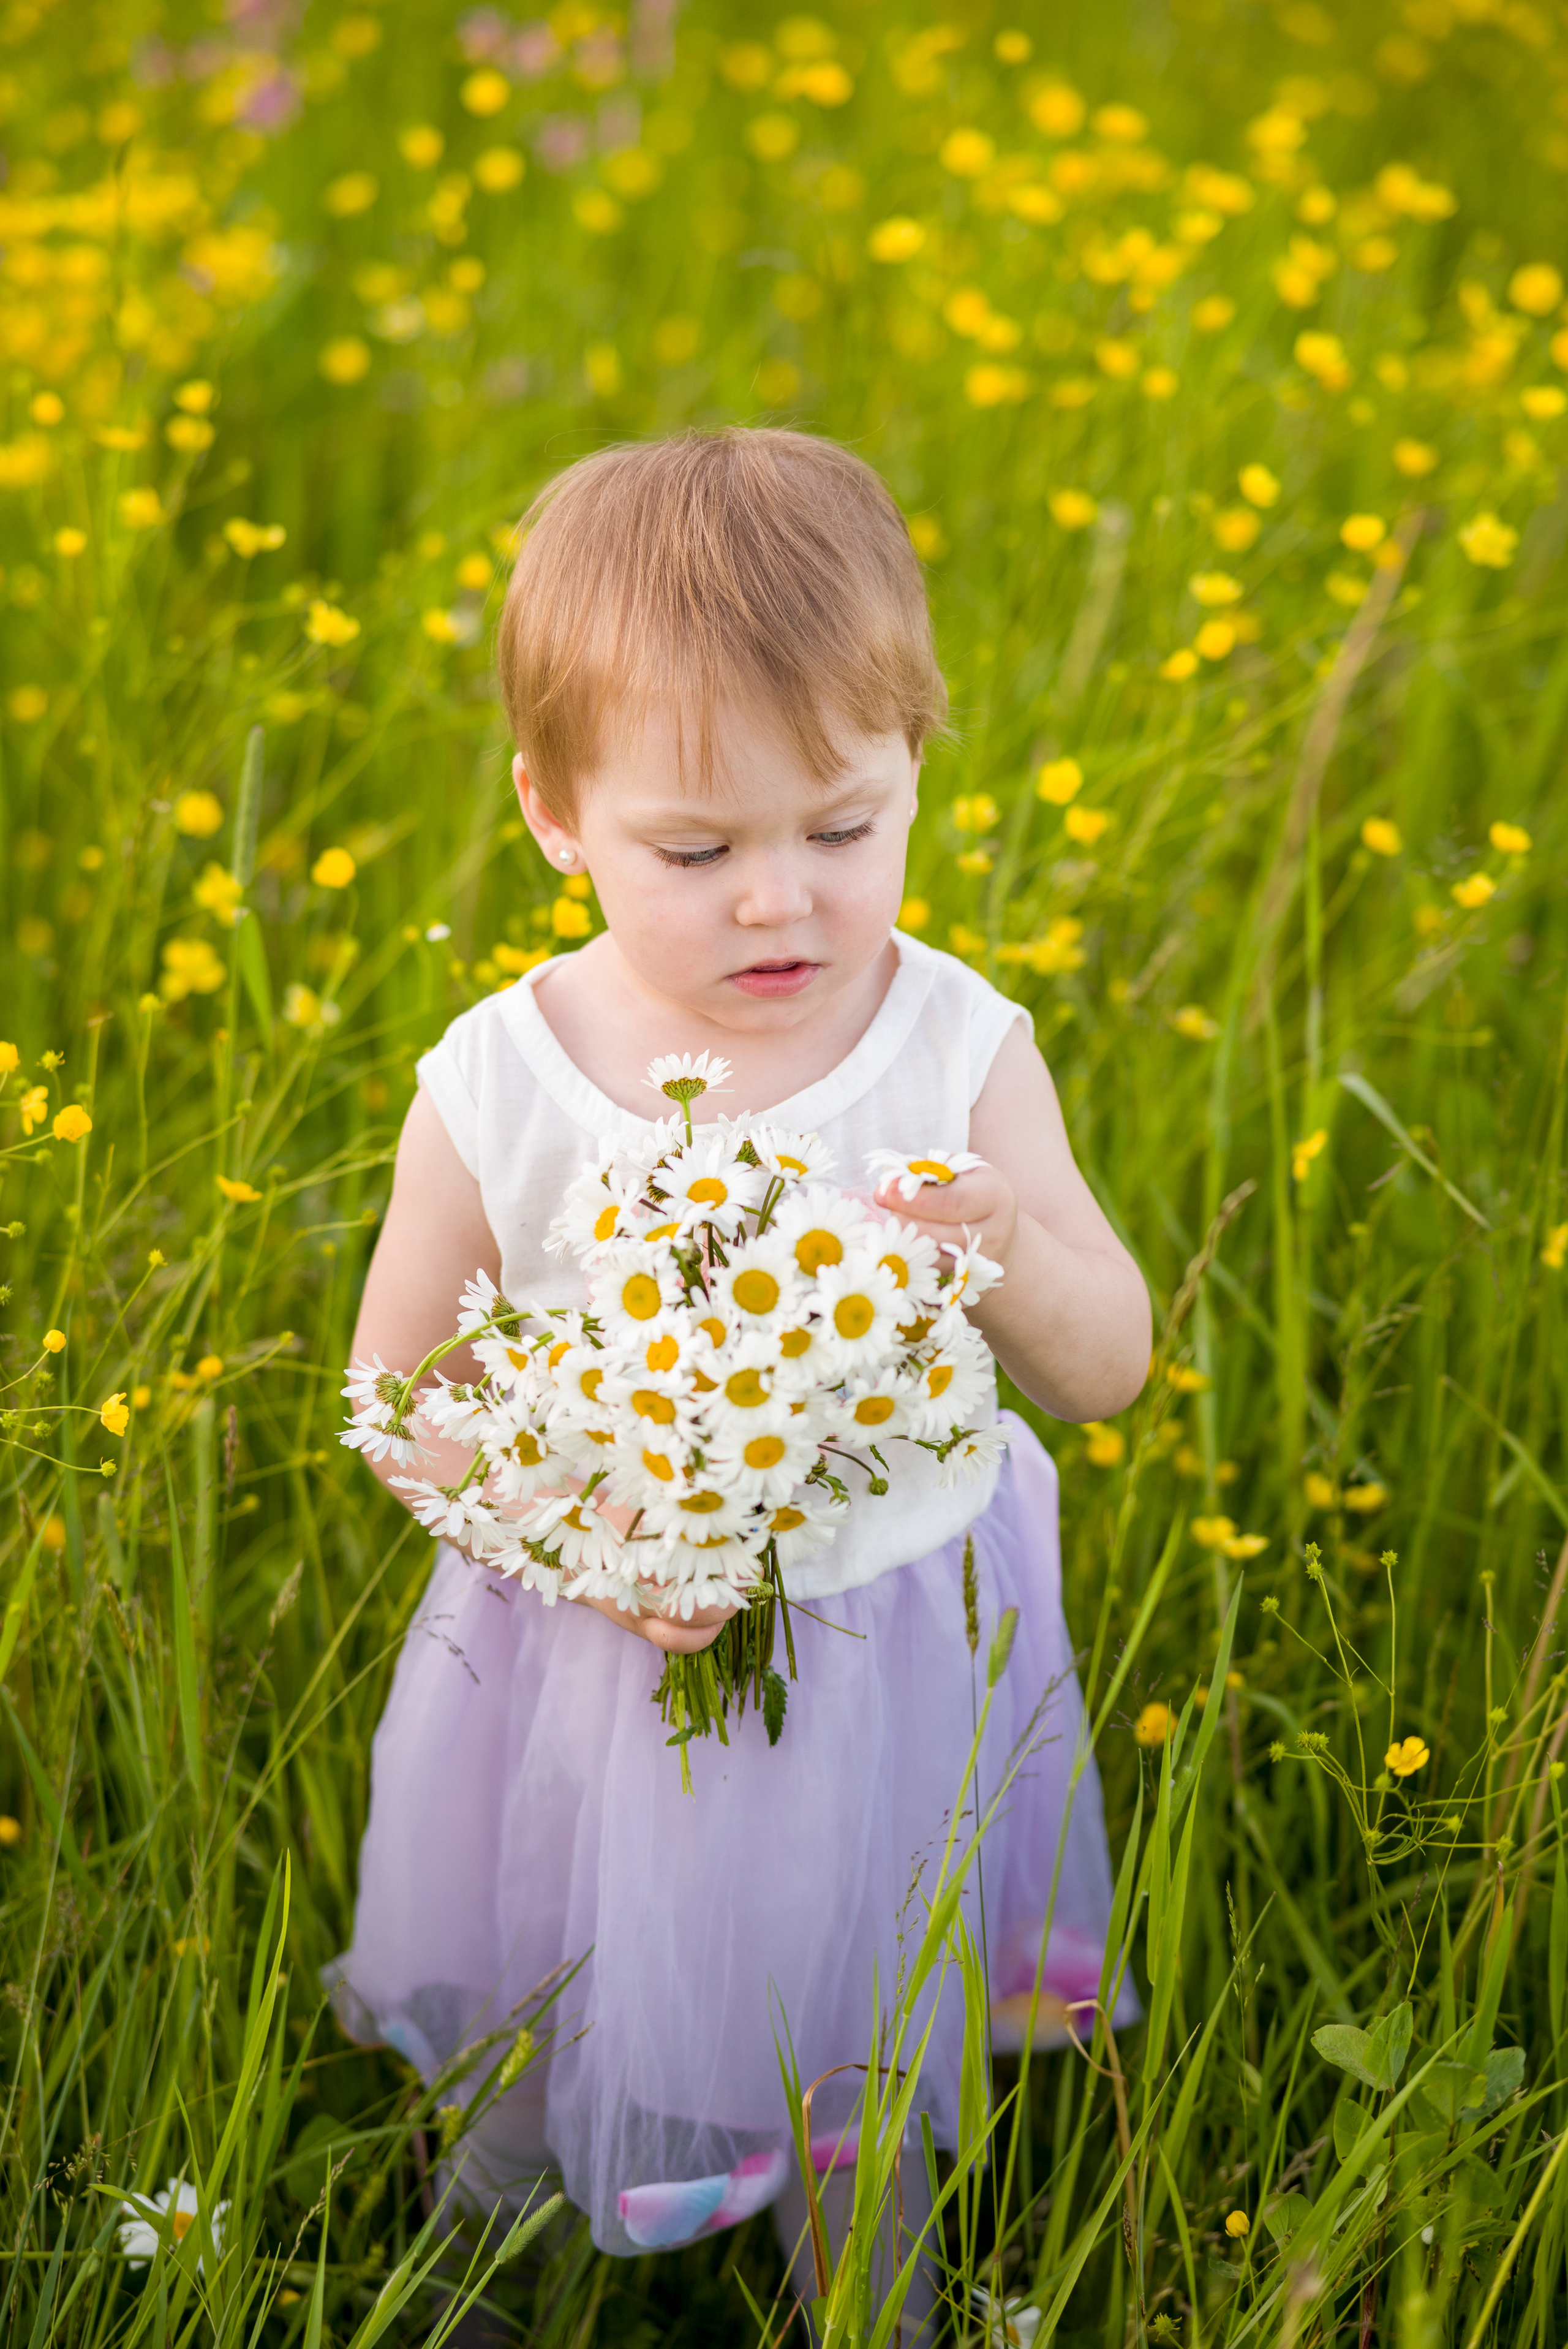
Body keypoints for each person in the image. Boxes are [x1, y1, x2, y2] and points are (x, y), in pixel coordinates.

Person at [325, 428, 1150, 2323]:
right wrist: (588, 1540)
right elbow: (399, 1387)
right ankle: (499, 2250)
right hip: (599, 1656)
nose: (781, 899)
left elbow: (1105, 1371)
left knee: (862, 2004)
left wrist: (1007, 1242)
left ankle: (870, 2278)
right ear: (554, 813)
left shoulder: (949, 1044)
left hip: (892, 1650)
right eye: (698, 851)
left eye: (844, 827)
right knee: (567, 1985)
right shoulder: (504, 1078)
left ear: (918, 765)